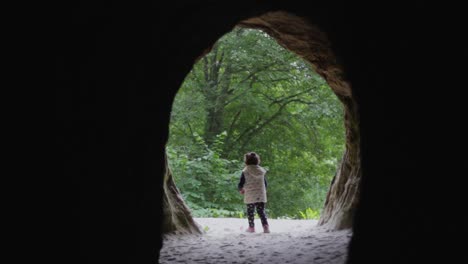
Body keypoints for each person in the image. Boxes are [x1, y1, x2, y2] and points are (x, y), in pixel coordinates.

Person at [238, 152, 270, 233]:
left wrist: (241, 189)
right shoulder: (261, 171)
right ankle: (265, 226)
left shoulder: (245, 171)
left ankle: (251, 228)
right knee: (261, 211)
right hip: (260, 193)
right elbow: (265, 183)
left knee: (250, 211)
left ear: (246, 162)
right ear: (257, 161)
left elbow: (241, 182)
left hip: (250, 194)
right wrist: (264, 190)